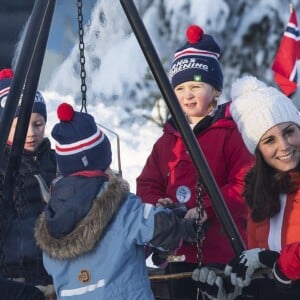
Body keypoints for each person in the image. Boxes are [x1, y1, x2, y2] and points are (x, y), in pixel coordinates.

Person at [34, 102, 204, 300]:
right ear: (102, 161)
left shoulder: (52, 220)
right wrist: (176, 220)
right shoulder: (121, 206)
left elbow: (110, 247)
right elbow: (160, 227)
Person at [136, 25, 254, 299]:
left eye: (196, 85)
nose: (187, 94)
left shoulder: (230, 133)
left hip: (223, 251)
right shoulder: (167, 140)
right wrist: (159, 204)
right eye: (180, 87)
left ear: (215, 92)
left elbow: (245, 184)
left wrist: (206, 207)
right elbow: (147, 183)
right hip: (179, 254)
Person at [193, 75, 300, 299]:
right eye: (269, 140)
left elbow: (278, 266)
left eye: (289, 131)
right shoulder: (261, 194)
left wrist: (276, 261)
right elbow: (272, 283)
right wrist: (233, 288)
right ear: (256, 149)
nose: (284, 145)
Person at [0, 68, 57, 299]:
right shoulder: (5, 167)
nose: (31, 133)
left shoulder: (54, 160)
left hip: (53, 270)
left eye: (38, 123)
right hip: (14, 272)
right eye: (20, 126)